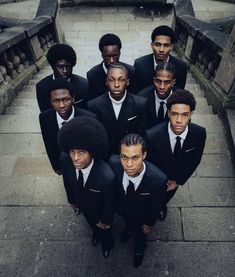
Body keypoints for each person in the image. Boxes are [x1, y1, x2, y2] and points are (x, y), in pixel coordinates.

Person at [58, 116, 115, 259]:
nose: (75, 158)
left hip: (100, 211)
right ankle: (95, 234)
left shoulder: (106, 176)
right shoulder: (65, 160)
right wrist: (71, 200)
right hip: (83, 206)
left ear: (92, 151)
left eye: (81, 152)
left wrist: (106, 221)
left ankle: (107, 245)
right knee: (91, 224)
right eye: (72, 152)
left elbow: (110, 202)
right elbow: (67, 181)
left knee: (105, 232)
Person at [145, 89, 206, 220]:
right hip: (157, 178)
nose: (179, 120)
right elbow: (149, 163)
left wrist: (178, 181)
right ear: (168, 113)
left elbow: (195, 160)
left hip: (176, 178)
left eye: (184, 115)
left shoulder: (199, 133)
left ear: (191, 115)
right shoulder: (152, 135)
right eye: (174, 114)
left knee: (165, 197)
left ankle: (162, 206)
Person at [109, 134, 167, 268]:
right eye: (124, 157)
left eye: (135, 158)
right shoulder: (113, 164)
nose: (129, 164)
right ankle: (128, 229)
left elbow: (155, 206)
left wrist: (148, 224)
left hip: (141, 215)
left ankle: (139, 249)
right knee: (129, 223)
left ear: (144, 155)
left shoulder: (158, 179)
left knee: (140, 235)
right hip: (122, 210)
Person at [87, 63, 147, 155]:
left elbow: (140, 135)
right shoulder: (93, 106)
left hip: (130, 154)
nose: (116, 84)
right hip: (105, 155)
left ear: (127, 82)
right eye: (112, 80)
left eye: (121, 80)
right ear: (106, 82)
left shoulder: (140, 104)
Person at [39, 78, 95, 176]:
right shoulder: (45, 118)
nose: (61, 105)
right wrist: (56, 166)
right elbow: (48, 143)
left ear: (73, 98)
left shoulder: (88, 118)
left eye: (66, 99)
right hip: (64, 164)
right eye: (56, 101)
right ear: (50, 101)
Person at [134, 25, 187, 92]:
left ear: (171, 47)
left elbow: (179, 93)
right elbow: (136, 94)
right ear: (152, 45)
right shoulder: (139, 65)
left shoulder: (181, 67)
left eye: (166, 45)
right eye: (157, 45)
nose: (161, 49)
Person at [36, 43, 88, 112]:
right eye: (60, 67)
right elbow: (45, 114)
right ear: (52, 66)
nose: (65, 71)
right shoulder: (41, 87)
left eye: (68, 66)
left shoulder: (84, 85)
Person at [86, 33, 135, 100]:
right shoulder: (92, 75)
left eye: (115, 56)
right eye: (107, 56)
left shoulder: (130, 71)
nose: (111, 61)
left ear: (120, 53)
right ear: (102, 54)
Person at [138, 62, 177, 129]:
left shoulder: (181, 100)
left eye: (167, 82)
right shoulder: (141, 98)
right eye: (158, 81)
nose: (162, 87)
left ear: (173, 83)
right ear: (154, 81)